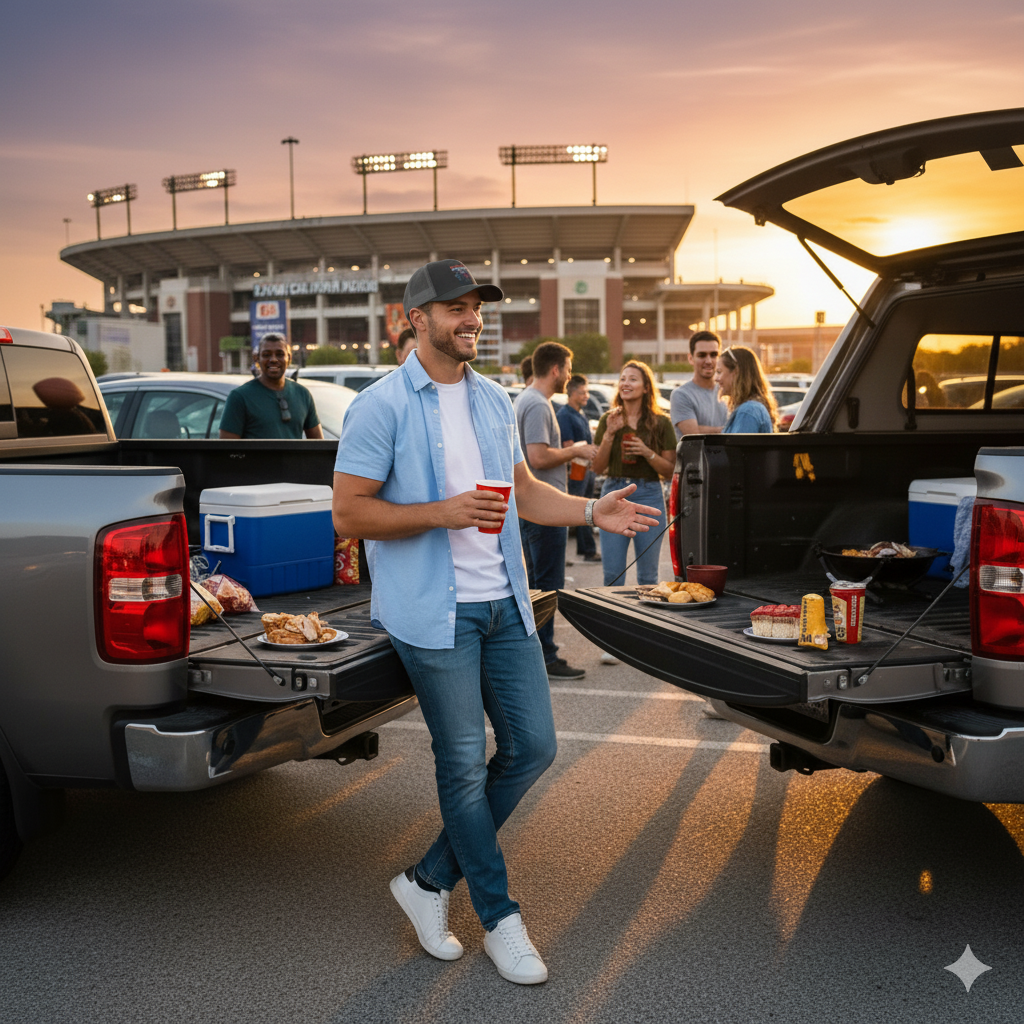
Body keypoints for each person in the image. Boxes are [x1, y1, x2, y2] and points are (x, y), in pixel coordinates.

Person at [332, 258, 659, 985]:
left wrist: (587, 510)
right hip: (432, 614)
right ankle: (499, 917)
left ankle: (424, 881)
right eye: (454, 308)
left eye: (477, 306)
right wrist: (440, 515)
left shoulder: (491, 400)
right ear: (414, 320)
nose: (471, 317)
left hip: (504, 605)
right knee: (461, 765)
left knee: (534, 748)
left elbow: (521, 492)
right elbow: (349, 513)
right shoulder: (380, 405)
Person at [515, 342, 599, 679]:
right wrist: (575, 450)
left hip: (533, 506)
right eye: (567, 368)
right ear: (555, 370)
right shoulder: (536, 403)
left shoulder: (529, 399)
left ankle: (533, 655)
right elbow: (538, 457)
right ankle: (546, 657)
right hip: (543, 506)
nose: (568, 375)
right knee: (547, 587)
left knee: (535, 585)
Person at [592, 360, 676, 587]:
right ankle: (611, 622)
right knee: (613, 576)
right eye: (622, 378)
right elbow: (597, 468)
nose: (625, 383)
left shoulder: (661, 423)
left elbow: (670, 470)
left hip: (649, 493)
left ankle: (644, 622)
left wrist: (647, 453)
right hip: (614, 492)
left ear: (646, 387)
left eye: (632, 379)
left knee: (648, 577)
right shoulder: (608, 419)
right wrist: (610, 433)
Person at [219, 333, 323, 439]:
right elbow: (227, 450)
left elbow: (319, 445)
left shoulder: (303, 394)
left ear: (289, 358)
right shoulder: (239, 397)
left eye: (279, 354)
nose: (273, 359)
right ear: (256, 358)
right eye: (266, 355)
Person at [556, 374, 600, 562]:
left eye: (587, 392)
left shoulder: (581, 413)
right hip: (575, 470)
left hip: (587, 469)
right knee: (578, 509)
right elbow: (567, 446)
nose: (586, 396)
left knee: (587, 507)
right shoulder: (564, 415)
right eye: (582, 392)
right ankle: (581, 551)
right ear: (571, 393)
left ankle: (586, 549)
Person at [670, 330, 728, 439]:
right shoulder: (681, 395)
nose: (708, 361)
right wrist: (729, 430)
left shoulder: (728, 392)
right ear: (691, 358)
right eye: (702, 355)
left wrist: (704, 429)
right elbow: (694, 435)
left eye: (714, 355)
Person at [715, 345, 778, 433]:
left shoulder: (748, 411)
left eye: (719, 372)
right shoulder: (750, 408)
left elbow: (736, 446)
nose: (716, 378)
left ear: (736, 372)